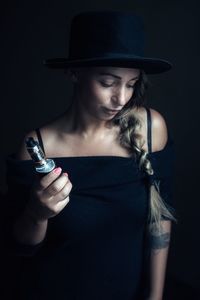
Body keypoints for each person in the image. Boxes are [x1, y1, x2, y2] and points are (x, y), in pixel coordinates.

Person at [4, 10, 176, 300]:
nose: (121, 99)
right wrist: (37, 213)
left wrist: (155, 295)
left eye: (131, 84)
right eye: (108, 83)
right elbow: (21, 247)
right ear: (74, 73)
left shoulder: (150, 128)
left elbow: (159, 218)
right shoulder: (37, 146)